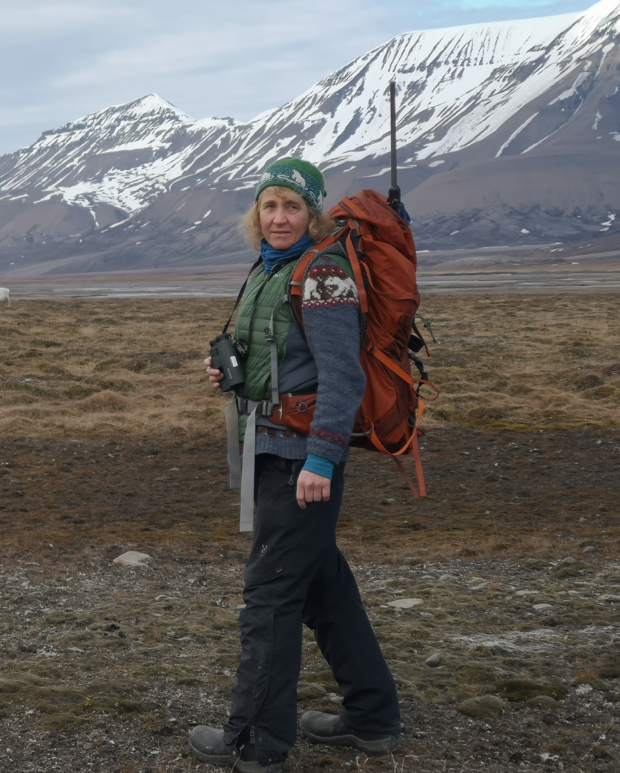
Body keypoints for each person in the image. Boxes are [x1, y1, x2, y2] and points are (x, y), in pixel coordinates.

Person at [188, 158, 402, 773]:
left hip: (300, 462)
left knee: (270, 598)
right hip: (269, 447)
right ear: (256, 214)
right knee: (321, 588)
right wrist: (231, 372)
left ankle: (257, 743)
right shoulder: (269, 268)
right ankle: (373, 717)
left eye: (292, 207)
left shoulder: (324, 273)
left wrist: (323, 460)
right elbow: (282, 356)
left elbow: (342, 376)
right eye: (270, 206)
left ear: (313, 213)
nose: (279, 218)